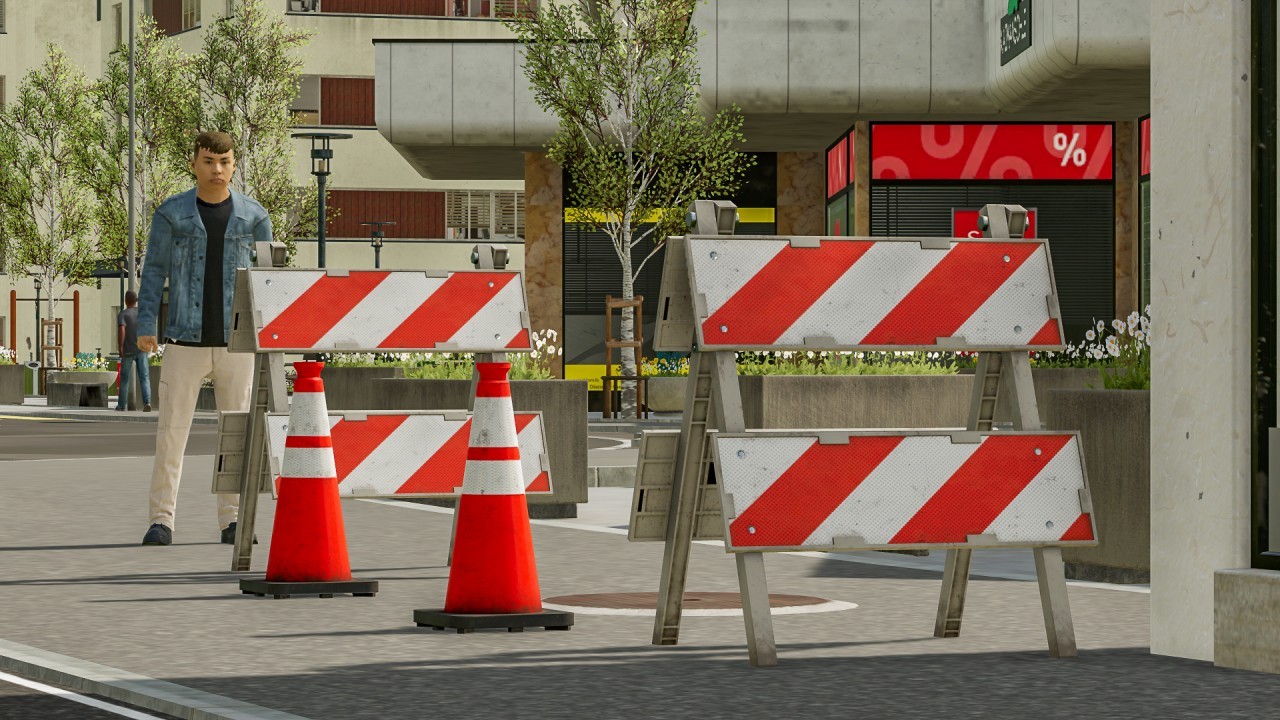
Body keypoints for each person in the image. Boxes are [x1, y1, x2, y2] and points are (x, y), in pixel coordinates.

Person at [136, 131, 273, 546]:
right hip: (183, 341)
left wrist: (270, 332)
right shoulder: (171, 213)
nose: (217, 169)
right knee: (171, 432)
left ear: (235, 165)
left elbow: (269, 279)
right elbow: (154, 272)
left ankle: (233, 521)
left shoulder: (255, 217)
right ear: (194, 162)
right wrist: (145, 325)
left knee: (237, 435)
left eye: (225, 161)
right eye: (209, 160)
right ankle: (162, 521)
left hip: (238, 343)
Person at [115, 291, 152, 413]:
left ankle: (121, 405)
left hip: (128, 351)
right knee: (144, 377)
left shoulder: (123, 314)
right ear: (136, 300)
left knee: (124, 378)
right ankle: (147, 402)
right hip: (142, 349)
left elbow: (122, 330)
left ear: (126, 300)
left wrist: (120, 347)